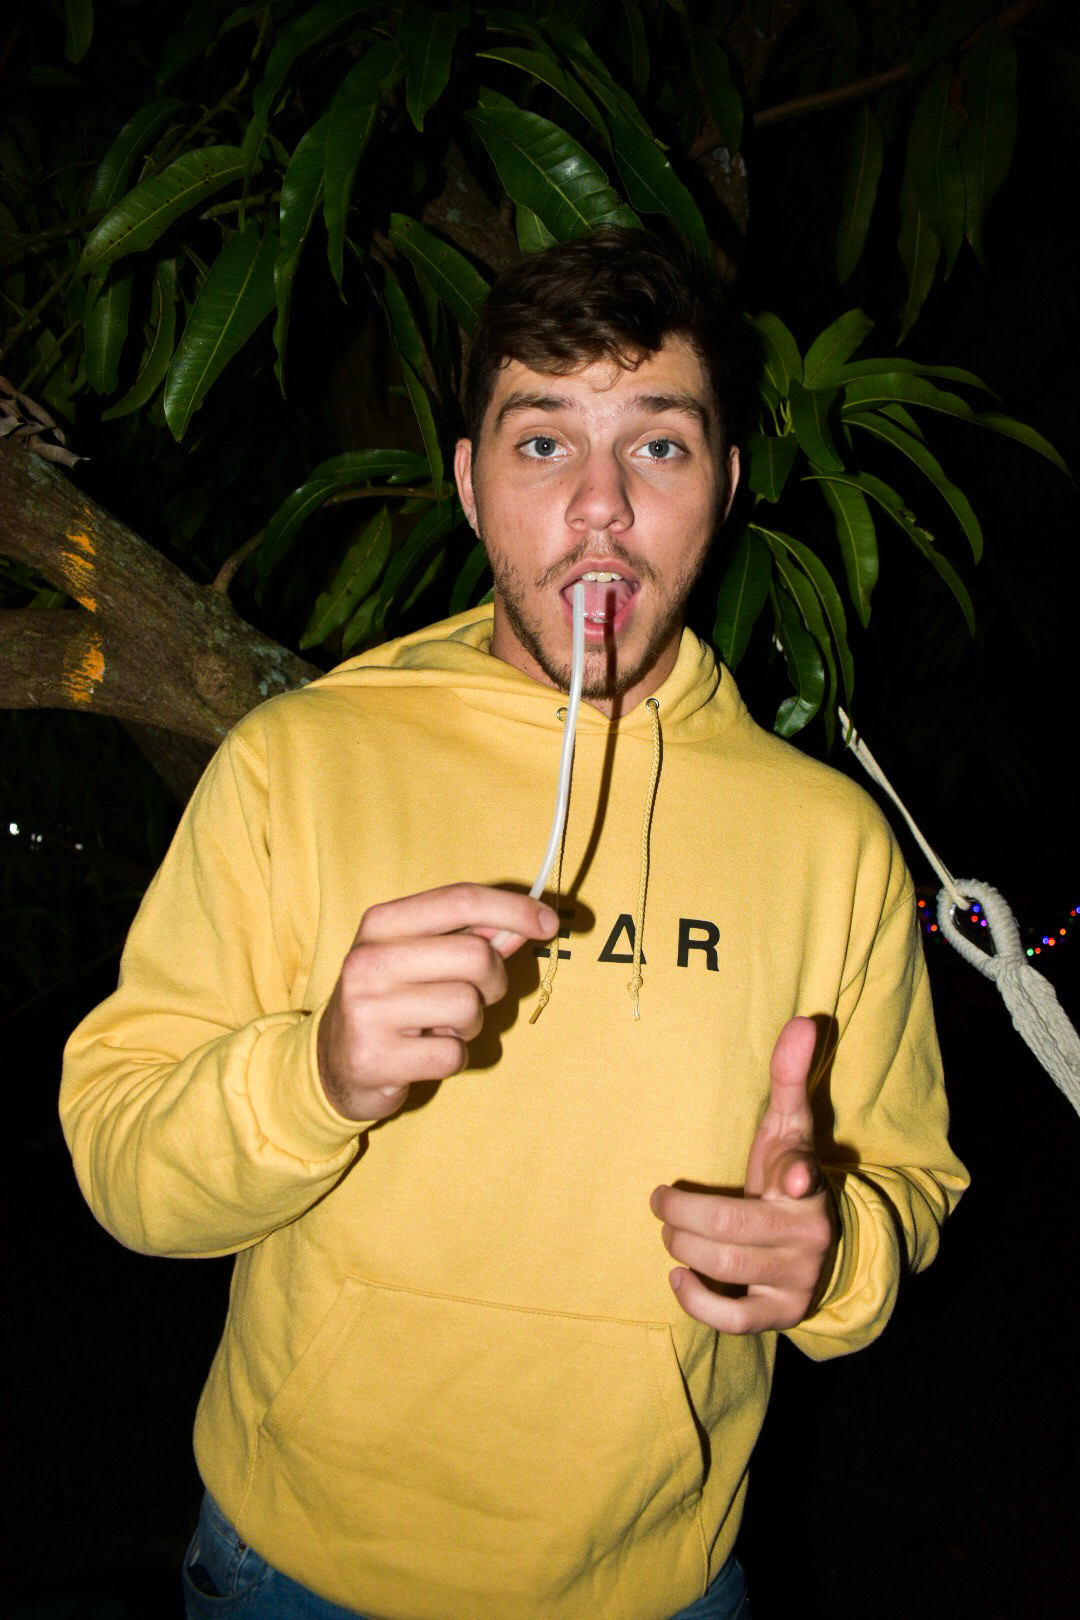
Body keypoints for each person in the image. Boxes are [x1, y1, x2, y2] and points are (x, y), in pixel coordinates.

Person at [60, 228, 967, 1620]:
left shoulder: (827, 839)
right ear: (471, 487)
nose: (601, 508)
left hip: (657, 1581)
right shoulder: (299, 762)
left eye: (657, 446)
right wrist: (317, 1076)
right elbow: (129, 1175)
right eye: (543, 444)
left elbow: (909, 1182)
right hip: (299, 1563)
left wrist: (835, 1252)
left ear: (725, 487)